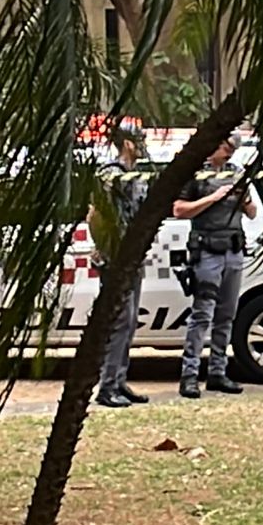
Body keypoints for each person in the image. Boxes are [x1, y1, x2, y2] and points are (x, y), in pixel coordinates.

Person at [172, 131, 255, 398]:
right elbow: (178, 209)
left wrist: (243, 198)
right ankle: (189, 375)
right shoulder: (197, 173)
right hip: (207, 250)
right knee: (202, 314)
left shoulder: (237, 172)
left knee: (226, 314)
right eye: (226, 147)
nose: (228, 152)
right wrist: (213, 198)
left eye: (232, 149)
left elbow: (252, 213)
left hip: (233, 249)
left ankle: (218, 372)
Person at [93, 118, 150, 409]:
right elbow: (96, 214)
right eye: (139, 140)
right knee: (120, 321)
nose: (143, 145)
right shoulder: (109, 174)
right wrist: (107, 250)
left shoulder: (136, 175)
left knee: (129, 322)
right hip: (116, 258)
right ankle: (107, 386)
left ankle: (118, 380)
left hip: (134, 256)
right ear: (127, 143)